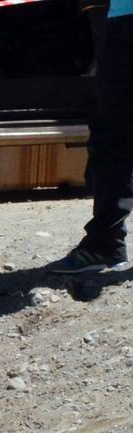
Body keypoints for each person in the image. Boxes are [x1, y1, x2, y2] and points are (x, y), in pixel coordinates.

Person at [51, 0, 133, 275]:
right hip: (121, 17)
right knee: (111, 134)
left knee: (112, 135)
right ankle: (105, 244)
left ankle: (105, 245)